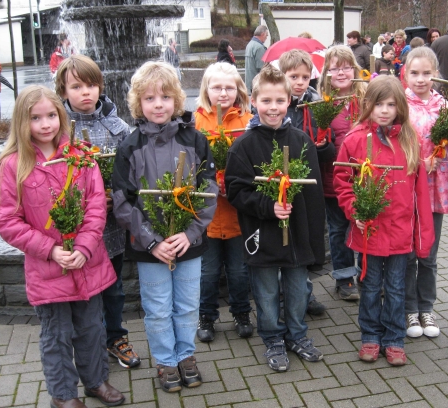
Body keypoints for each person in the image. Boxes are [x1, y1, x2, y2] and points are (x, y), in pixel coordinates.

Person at [0, 85, 124, 408]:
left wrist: (85, 246)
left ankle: (95, 381)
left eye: (51, 115)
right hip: (47, 267)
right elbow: (6, 219)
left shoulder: (81, 156)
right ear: (23, 122)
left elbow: (95, 205)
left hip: (86, 262)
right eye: (36, 118)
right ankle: (63, 394)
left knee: (92, 327)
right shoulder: (13, 165)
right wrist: (49, 250)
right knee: (57, 334)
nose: (46, 124)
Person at [112, 61, 218, 392]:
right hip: (150, 249)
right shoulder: (130, 146)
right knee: (158, 309)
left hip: (190, 244)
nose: (158, 104)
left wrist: (190, 233)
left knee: (187, 305)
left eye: (165, 97)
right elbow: (123, 201)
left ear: (176, 99)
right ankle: (166, 362)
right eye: (149, 98)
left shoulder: (195, 140)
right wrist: (153, 241)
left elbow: (209, 190)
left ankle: (186, 355)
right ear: (138, 104)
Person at [225, 65, 325, 372]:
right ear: (253, 100)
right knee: (266, 291)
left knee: (297, 289)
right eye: (266, 101)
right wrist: (269, 208)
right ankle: (273, 338)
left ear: (288, 102)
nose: (273, 107)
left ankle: (297, 334)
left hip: (296, 233)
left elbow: (313, 194)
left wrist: (314, 241)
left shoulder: (301, 141)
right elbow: (236, 191)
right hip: (262, 234)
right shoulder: (244, 144)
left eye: (279, 101)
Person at [333, 75, 434, 366]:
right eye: (379, 104)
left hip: (401, 231)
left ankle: (394, 338)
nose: (385, 110)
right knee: (371, 285)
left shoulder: (410, 140)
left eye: (391, 104)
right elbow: (343, 181)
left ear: (400, 106)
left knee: (396, 287)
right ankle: (370, 336)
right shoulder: (354, 140)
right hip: (370, 231)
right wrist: (355, 211)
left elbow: (419, 193)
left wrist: (422, 233)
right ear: (368, 105)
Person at [54, 54, 141, 370]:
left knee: (114, 286)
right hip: (75, 228)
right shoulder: (57, 131)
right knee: (83, 289)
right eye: (76, 86)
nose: (85, 92)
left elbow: (135, 170)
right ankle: (89, 342)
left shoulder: (118, 128)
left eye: (91, 85)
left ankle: (116, 337)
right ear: (64, 91)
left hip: (111, 225)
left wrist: (115, 195)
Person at [194, 62, 253, 342]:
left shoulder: (247, 120)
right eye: (216, 87)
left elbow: (255, 161)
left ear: (238, 89)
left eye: (229, 87)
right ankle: (206, 316)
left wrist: (237, 184)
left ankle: (241, 312)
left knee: (239, 271)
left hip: (237, 214)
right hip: (207, 216)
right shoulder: (196, 122)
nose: (223, 93)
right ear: (206, 89)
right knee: (208, 272)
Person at [403, 47, 448, 339]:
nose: (421, 79)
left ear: (435, 74)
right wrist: (417, 163)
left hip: (435, 191)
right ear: (406, 73)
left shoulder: (446, 107)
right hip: (409, 188)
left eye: (426, 73)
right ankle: (409, 307)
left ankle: (427, 307)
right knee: (409, 253)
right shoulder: (400, 105)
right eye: (415, 73)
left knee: (429, 254)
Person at [279, 49, 338, 316]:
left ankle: (306, 292)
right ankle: (283, 295)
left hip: (309, 181)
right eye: (294, 76)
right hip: (282, 180)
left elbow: (331, 146)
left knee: (305, 238)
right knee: (284, 237)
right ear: (283, 76)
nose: (300, 82)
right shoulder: (278, 103)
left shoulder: (317, 104)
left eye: (305, 76)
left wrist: (324, 146)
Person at [317, 46, 367, 300]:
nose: (341, 72)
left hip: (366, 177)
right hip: (333, 179)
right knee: (338, 229)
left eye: (346, 66)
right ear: (326, 73)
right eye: (334, 68)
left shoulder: (366, 99)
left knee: (364, 223)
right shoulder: (322, 104)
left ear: (355, 69)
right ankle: (345, 278)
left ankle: (367, 274)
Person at [245, 25, 269, 93]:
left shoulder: (249, 45)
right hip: (258, 82)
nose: (266, 37)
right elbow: (262, 67)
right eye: (266, 35)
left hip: (250, 81)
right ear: (262, 34)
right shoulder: (259, 47)